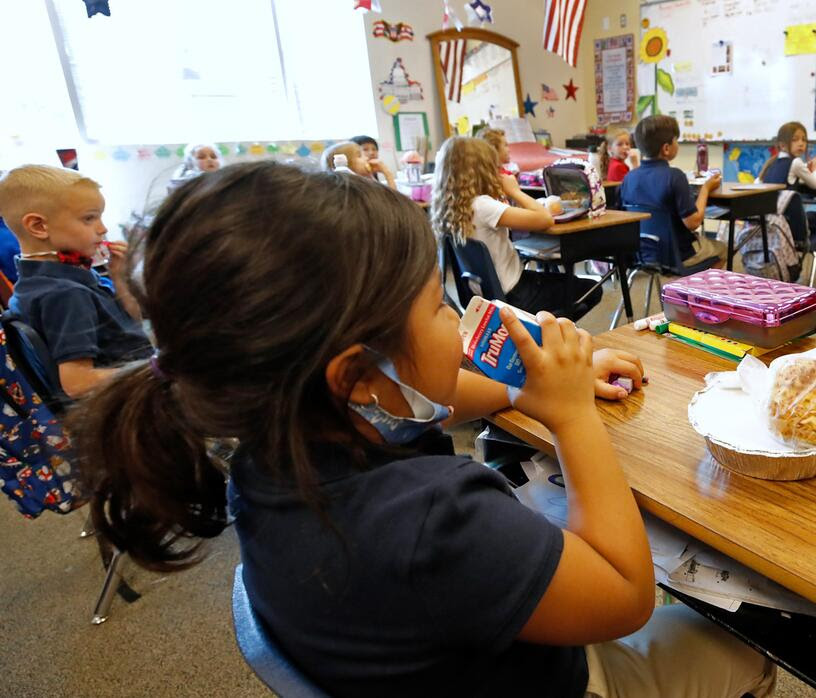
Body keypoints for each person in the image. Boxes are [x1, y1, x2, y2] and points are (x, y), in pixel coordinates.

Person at [71, 161, 776, 697]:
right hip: (557, 679)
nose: (455, 316)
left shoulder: (271, 453)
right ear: (356, 374)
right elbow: (625, 597)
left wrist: (525, 387)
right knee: (744, 650)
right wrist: (568, 414)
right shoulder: (432, 515)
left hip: (429, 661)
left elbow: (435, 400)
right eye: (437, 305)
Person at [0, 165, 151, 397]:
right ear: (39, 226)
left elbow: (132, 323)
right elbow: (78, 383)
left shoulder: (36, 282)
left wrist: (119, 277)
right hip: (126, 400)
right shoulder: (66, 294)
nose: (103, 229)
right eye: (89, 218)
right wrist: (155, 368)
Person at [430, 136, 602, 320]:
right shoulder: (482, 206)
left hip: (484, 296)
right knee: (592, 289)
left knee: (553, 281)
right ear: (483, 169)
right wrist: (514, 191)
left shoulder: (450, 209)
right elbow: (545, 219)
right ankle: (541, 334)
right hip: (514, 294)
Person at [619, 115, 728, 268]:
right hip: (677, 255)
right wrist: (706, 189)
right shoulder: (675, 176)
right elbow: (693, 223)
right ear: (666, 148)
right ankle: (694, 290)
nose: (678, 144)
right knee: (722, 249)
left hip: (642, 254)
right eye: (676, 140)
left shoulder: (629, 178)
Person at [322, 141, 397, 190]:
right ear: (346, 164)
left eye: (374, 149)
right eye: (359, 155)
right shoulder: (354, 189)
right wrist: (387, 173)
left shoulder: (363, 181)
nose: (366, 158)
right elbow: (393, 202)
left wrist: (370, 175)